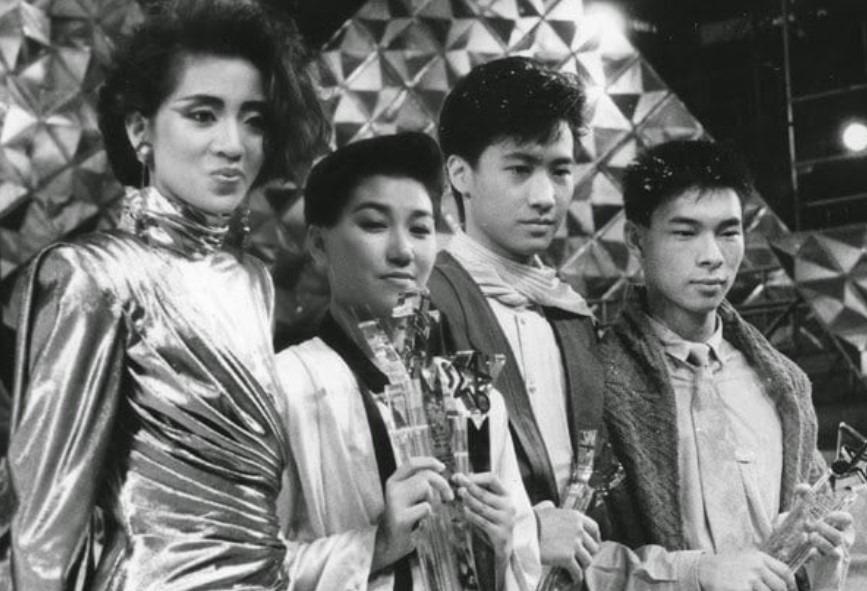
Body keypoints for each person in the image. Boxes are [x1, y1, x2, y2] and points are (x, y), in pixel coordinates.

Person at [1, 1, 328, 588]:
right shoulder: (93, 276)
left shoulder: (252, 281)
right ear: (139, 132)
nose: (234, 144)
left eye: (254, 120)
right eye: (203, 114)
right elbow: (46, 524)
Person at [274, 132, 540, 590]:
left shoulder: (473, 397)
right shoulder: (284, 385)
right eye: (374, 225)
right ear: (318, 244)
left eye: (420, 229)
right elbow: (236, 566)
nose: (403, 251)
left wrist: (499, 553)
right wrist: (378, 544)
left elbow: (522, 568)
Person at [592, 139, 854, 590]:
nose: (712, 256)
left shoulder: (786, 383)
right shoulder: (597, 381)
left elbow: (812, 550)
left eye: (728, 232)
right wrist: (696, 572)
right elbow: (570, 559)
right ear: (636, 239)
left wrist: (824, 555)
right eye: (685, 232)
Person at [428, 56, 608, 584]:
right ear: (460, 174)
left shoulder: (570, 312)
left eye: (560, 170)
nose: (545, 197)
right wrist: (529, 532)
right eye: (520, 169)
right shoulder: (426, 303)